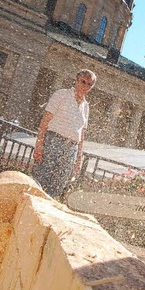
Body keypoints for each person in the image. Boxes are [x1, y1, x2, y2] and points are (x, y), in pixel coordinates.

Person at [31, 69, 96, 199]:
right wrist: (39, 145)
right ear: (76, 81)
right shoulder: (61, 95)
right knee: (40, 179)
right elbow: (45, 121)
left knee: (58, 185)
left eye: (90, 84)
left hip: (72, 147)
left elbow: (81, 134)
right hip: (53, 141)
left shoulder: (86, 106)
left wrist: (79, 159)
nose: (86, 86)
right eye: (83, 82)